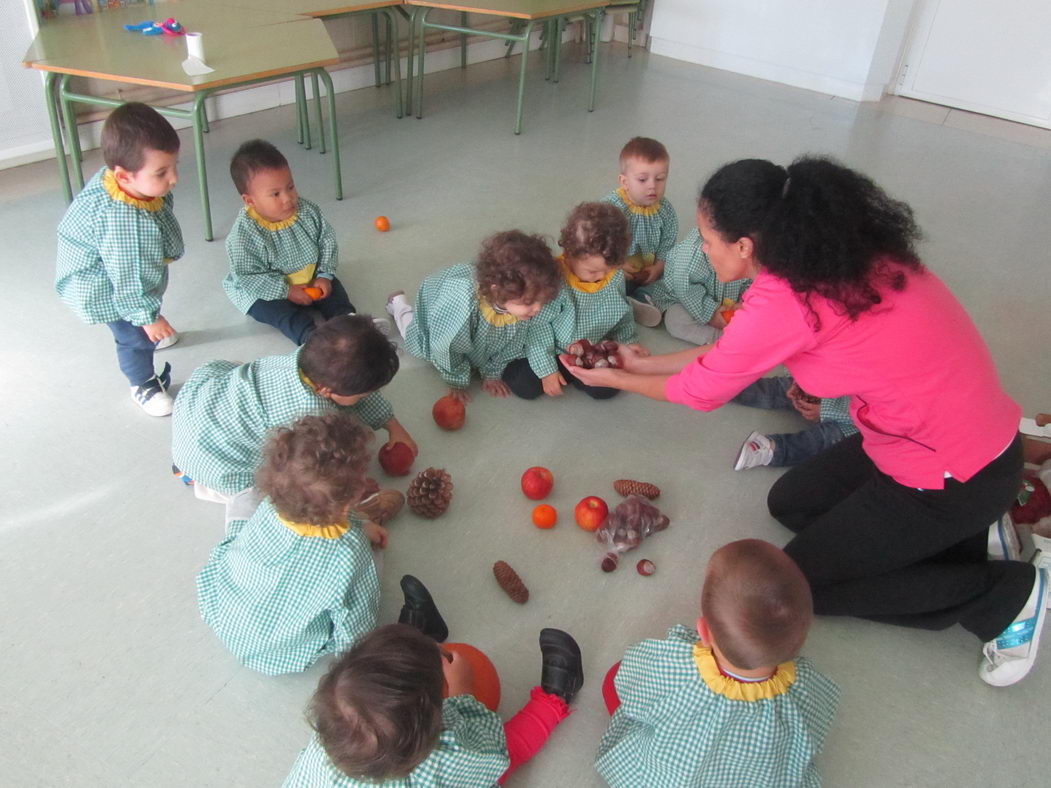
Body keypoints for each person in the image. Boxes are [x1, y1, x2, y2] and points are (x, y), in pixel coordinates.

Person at [565, 156, 1046, 687]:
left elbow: (700, 391)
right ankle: (970, 537)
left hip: (953, 472)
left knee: (798, 594)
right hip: (922, 436)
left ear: (745, 246)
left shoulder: (786, 300)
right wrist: (643, 363)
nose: (701, 249)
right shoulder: (832, 254)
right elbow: (735, 349)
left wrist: (615, 379)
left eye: (706, 239)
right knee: (790, 503)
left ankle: (1004, 597)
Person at [596, 539, 839, 787]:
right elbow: (812, 731)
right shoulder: (804, 687)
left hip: (675, 776)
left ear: (703, 631)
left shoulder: (679, 671)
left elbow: (632, 686)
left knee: (614, 678)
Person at [196, 412, 387, 675]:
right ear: (355, 494)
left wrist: (359, 522)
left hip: (223, 615)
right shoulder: (350, 551)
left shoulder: (270, 507)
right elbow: (357, 622)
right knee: (372, 565)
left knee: (244, 501)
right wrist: (353, 663)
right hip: (283, 651)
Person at [171, 315, 415, 517]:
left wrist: (392, 425)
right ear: (325, 391)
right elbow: (311, 472)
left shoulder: (305, 359)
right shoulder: (309, 421)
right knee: (268, 499)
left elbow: (356, 393)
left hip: (198, 406)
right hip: (216, 462)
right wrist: (348, 488)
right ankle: (201, 481)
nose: (367, 398)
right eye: (362, 397)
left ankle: (188, 464)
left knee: (234, 368)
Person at [283, 623, 583, 787]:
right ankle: (554, 699)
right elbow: (494, 753)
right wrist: (464, 691)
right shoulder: (448, 756)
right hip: (462, 771)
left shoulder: (335, 734)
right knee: (508, 748)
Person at [55, 102, 183, 416]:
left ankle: (149, 326)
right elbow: (131, 279)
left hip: (115, 268)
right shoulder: (127, 225)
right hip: (104, 284)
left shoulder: (122, 182)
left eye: (174, 167)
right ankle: (142, 383)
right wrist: (147, 318)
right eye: (162, 173)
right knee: (134, 335)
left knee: (143, 311)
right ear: (125, 177)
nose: (174, 179)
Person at [386, 230, 563, 403]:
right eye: (530, 302)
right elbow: (445, 348)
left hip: (475, 325)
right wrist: (455, 380)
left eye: (542, 300)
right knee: (416, 339)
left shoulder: (520, 306)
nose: (538, 308)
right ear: (498, 292)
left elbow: (512, 344)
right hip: (439, 316)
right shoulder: (463, 307)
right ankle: (399, 305)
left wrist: (492, 373)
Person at [502, 202, 647, 401]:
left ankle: (577, 373)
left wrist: (628, 342)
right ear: (570, 254)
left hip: (592, 349)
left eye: (608, 269)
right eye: (593, 271)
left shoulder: (612, 276)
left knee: (606, 390)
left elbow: (623, 313)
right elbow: (538, 327)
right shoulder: (553, 281)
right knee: (524, 384)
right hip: (552, 349)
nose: (601, 276)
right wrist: (547, 370)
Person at [224, 139, 362, 345]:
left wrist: (324, 275)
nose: (288, 198)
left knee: (334, 290)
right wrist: (286, 291)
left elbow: (327, 242)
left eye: (290, 187)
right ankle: (310, 338)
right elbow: (249, 277)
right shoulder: (243, 236)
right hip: (270, 288)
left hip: (310, 275)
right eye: (275, 194)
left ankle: (347, 323)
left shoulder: (307, 212)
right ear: (250, 201)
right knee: (277, 312)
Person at [601, 137, 678, 325]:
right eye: (643, 179)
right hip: (616, 268)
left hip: (649, 270)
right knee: (607, 281)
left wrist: (659, 266)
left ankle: (643, 298)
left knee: (679, 275)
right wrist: (615, 265)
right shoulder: (612, 208)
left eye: (660, 179)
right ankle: (616, 305)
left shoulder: (665, 211)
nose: (653, 185)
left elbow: (668, 242)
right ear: (624, 182)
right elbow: (598, 244)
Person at [640, 226, 752, 344]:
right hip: (689, 300)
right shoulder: (695, 252)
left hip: (730, 303)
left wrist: (744, 303)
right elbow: (685, 288)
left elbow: (754, 284)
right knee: (675, 320)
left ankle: (740, 335)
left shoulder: (752, 257)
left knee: (760, 320)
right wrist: (711, 313)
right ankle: (719, 339)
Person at [733, 377, 858, 470]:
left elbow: (870, 415)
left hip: (856, 424)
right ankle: (730, 387)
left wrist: (825, 408)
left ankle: (773, 449)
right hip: (837, 386)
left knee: (825, 439)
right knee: (784, 388)